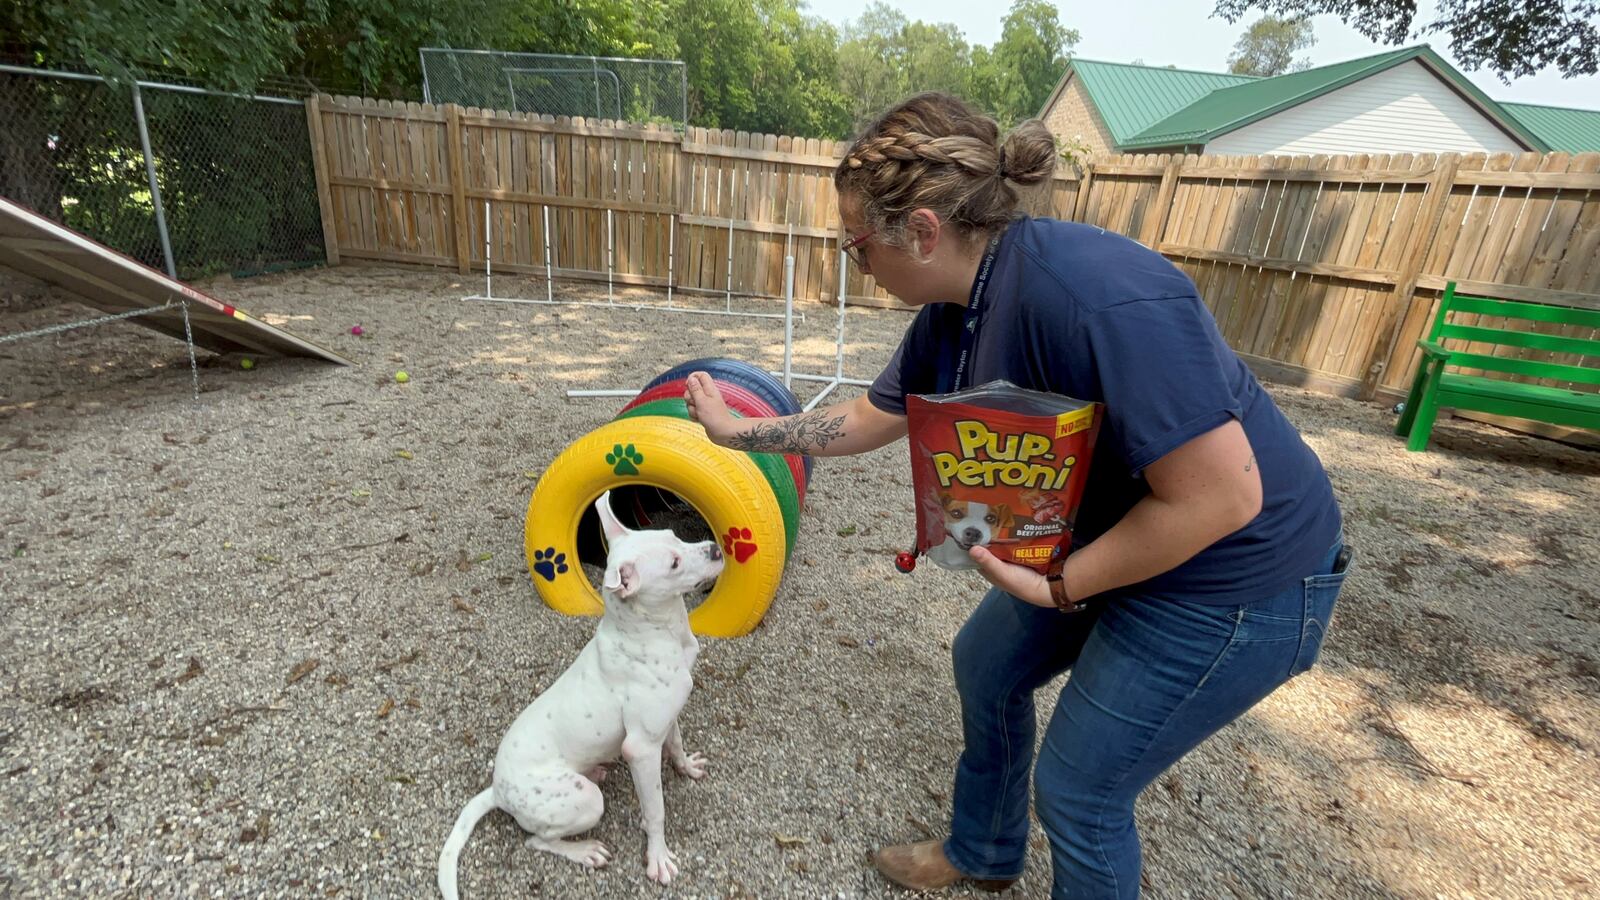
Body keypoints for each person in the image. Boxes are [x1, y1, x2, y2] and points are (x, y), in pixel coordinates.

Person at [683, 93, 1349, 899]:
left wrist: (1064, 584)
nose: (855, 265)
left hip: (1239, 577)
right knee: (987, 666)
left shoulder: (1097, 295)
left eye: (856, 247)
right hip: (1126, 534)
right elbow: (867, 418)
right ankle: (985, 851)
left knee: (1081, 792)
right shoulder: (951, 310)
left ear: (922, 231)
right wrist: (739, 435)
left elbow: (1223, 498)